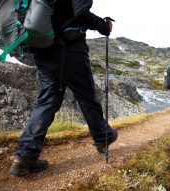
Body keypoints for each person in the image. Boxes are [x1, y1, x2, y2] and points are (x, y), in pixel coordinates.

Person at [10, 0, 118, 177]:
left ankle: (25, 156)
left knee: (48, 100)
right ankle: (102, 137)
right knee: (86, 96)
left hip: (42, 49)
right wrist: (103, 25)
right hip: (70, 50)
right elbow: (81, 13)